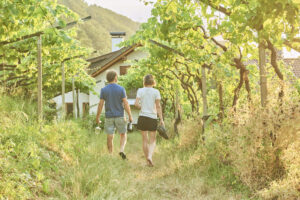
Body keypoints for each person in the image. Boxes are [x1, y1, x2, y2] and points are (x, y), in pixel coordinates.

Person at [96, 70, 133, 159]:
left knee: (110, 136)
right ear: (115, 77)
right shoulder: (121, 89)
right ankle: (121, 150)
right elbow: (126, 103)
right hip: (120, 116)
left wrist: (97, 117)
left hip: (109, 117)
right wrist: (130, 115)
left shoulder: (104, 90)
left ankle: (110, 155)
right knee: (123, 134)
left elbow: (100, 104)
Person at [135, 74, 164, 167]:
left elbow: (136, 104)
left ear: (144, 82)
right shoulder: (156, 92)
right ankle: (150, 157)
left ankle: (147, 159)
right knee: (152, 140)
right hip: (152, 117)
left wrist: (141, 107)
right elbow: (158, 106)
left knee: (144, 139)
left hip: (142, 117)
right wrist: (161, 119)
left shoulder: (140, 90)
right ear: (153, 82)